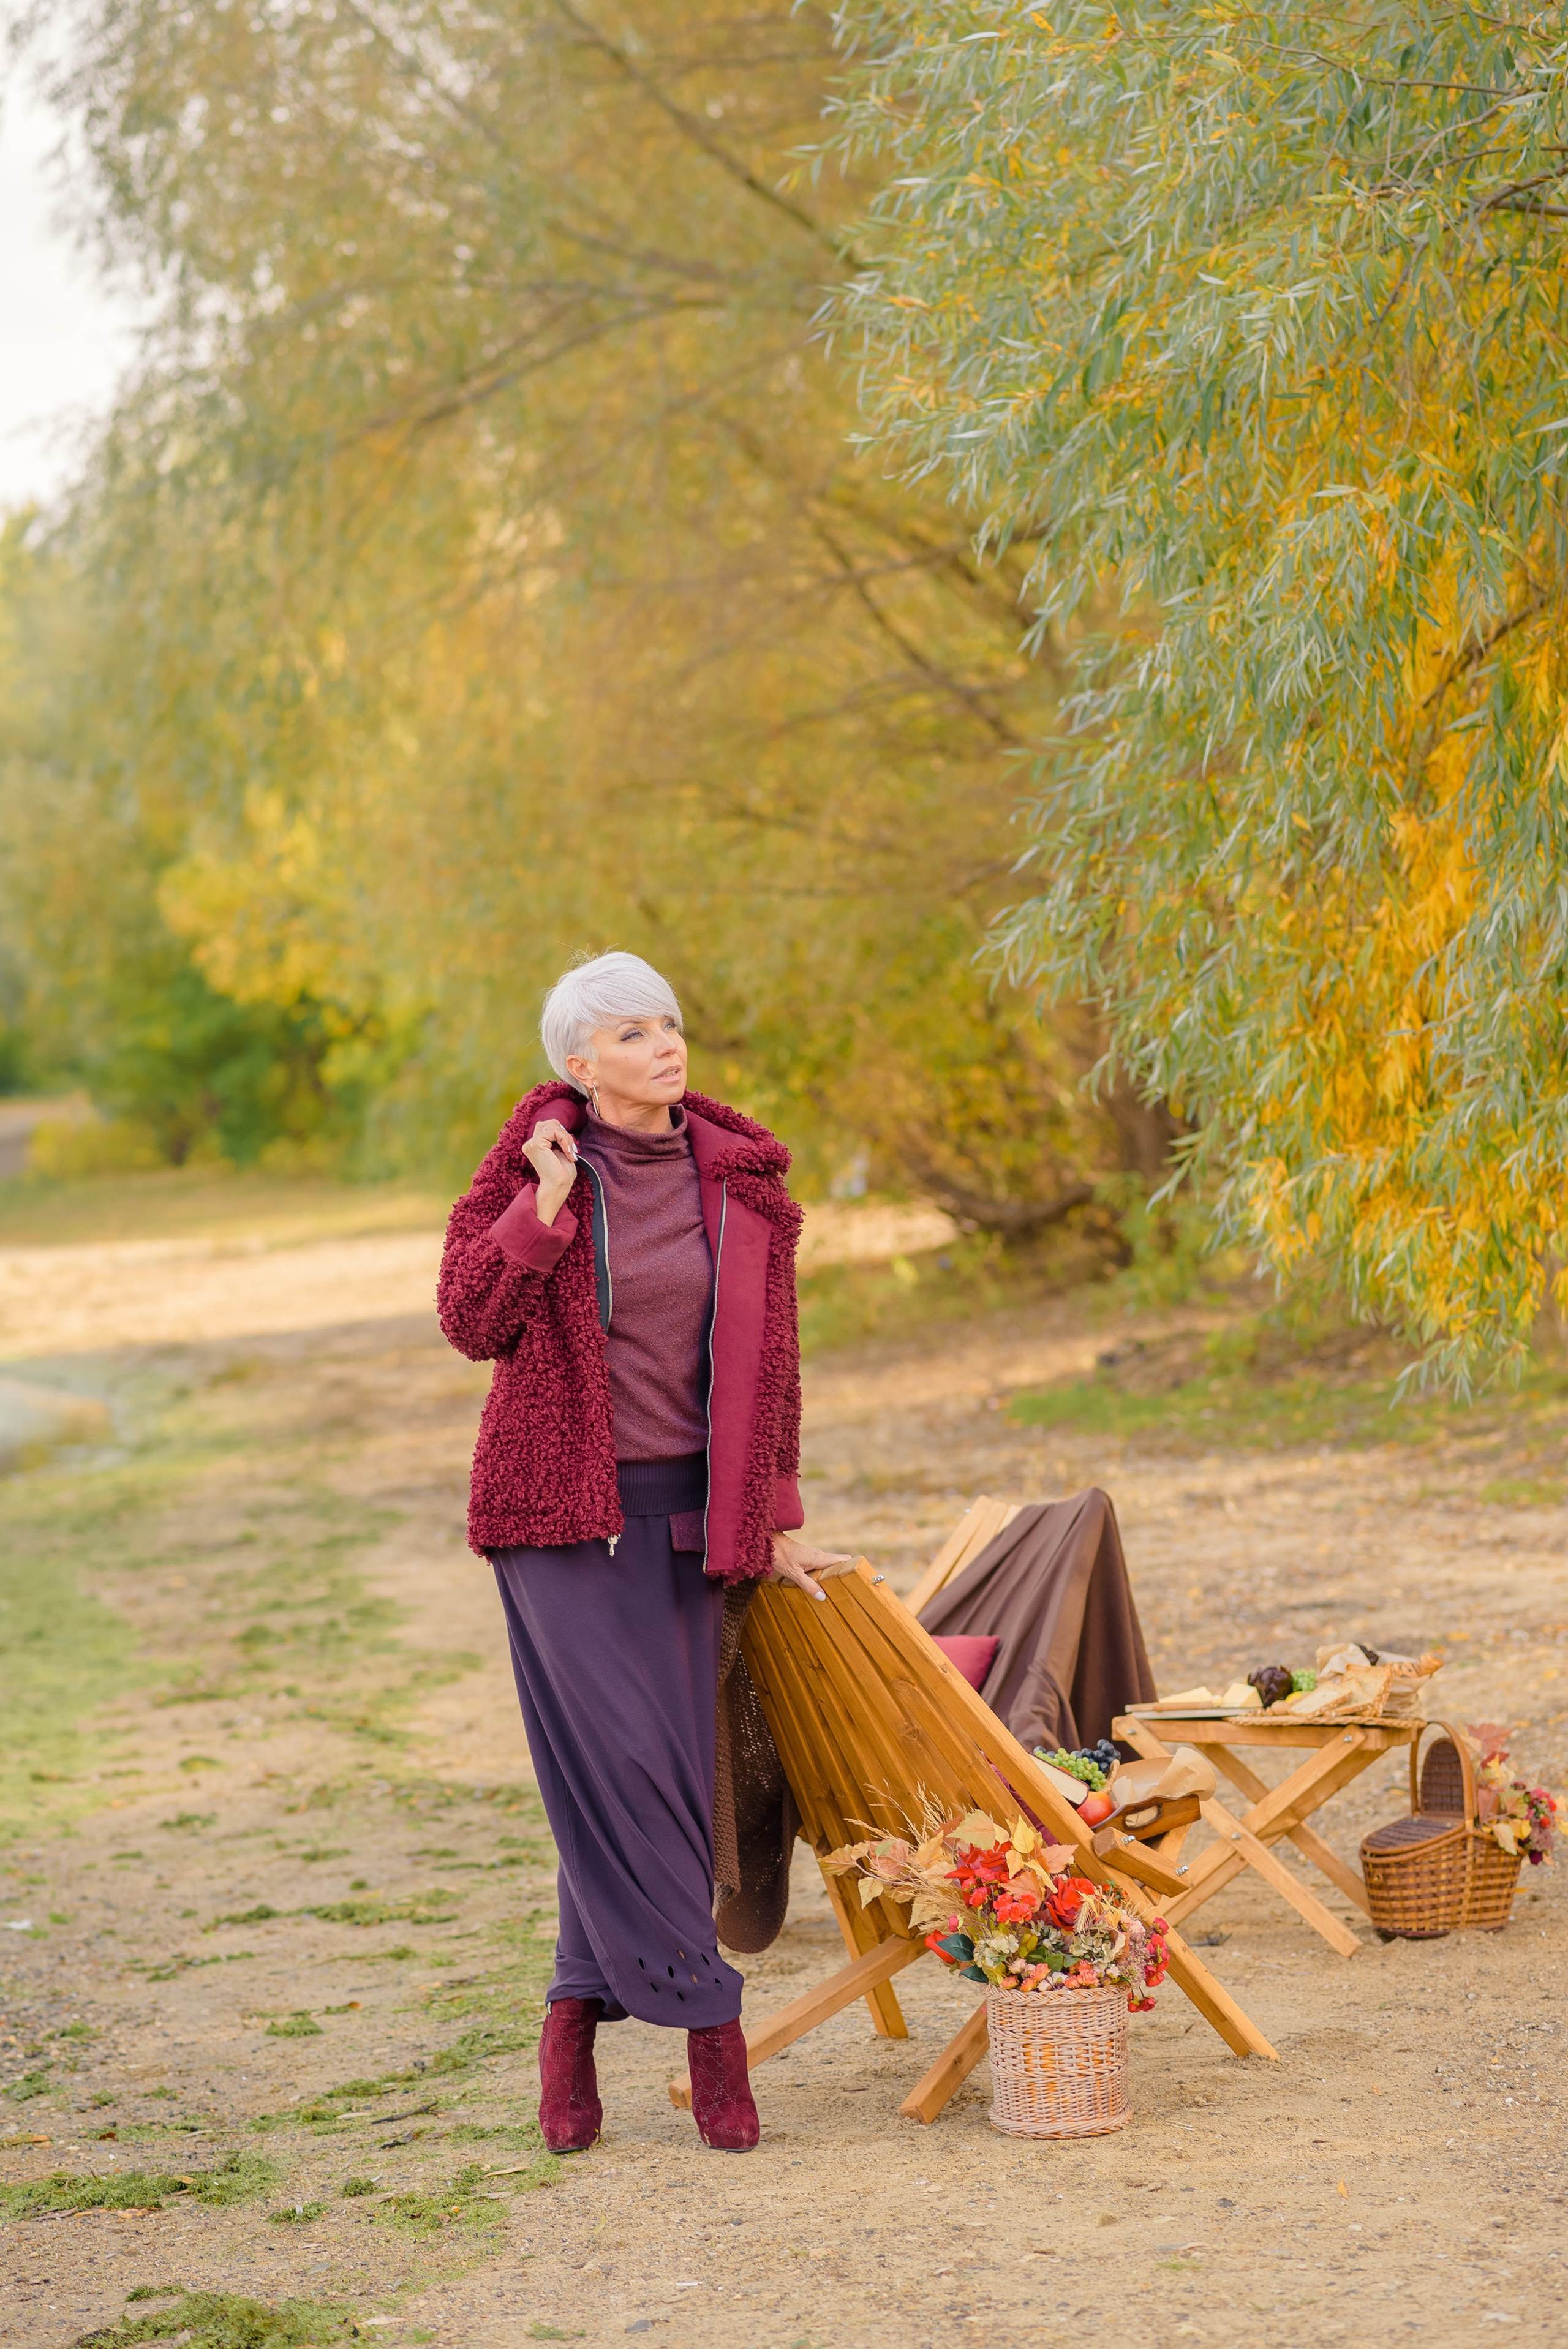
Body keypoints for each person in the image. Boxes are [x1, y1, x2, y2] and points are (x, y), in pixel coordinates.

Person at [437, 951, 845, 2153]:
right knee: (624, 1771)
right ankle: (709, 2025)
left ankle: (570, 2015)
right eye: (631, 1033)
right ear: (577, 1063)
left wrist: (766, 1517)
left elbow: (772, 1375)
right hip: (560, 1524)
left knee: (658, 1778)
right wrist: (544, 1207)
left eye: (668, 1023)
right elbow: (471, 1321)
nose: (664, 1045)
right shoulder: (530, 1174)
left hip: (690, 1522)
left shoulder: (746, 1184)